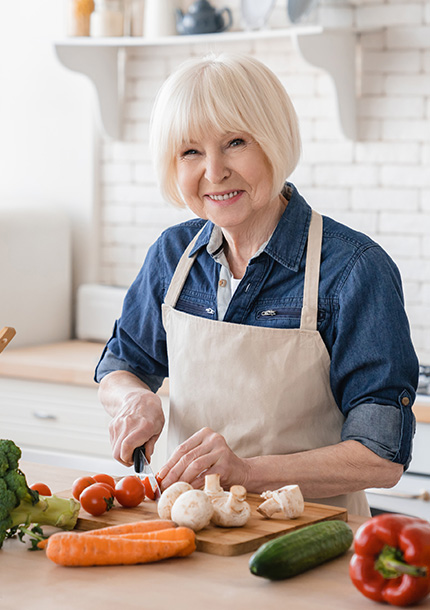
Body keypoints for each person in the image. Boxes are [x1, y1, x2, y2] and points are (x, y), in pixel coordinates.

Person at [95, 53, 418, 516]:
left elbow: (380, 456)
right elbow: (120, 365)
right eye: (190, 152)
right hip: (193, 534)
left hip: (309, 547)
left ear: (273, 141)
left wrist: (246, 473)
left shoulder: (353, 270)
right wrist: (135, 399)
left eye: (235, 143)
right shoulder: (173, 256)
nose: (213, 171)